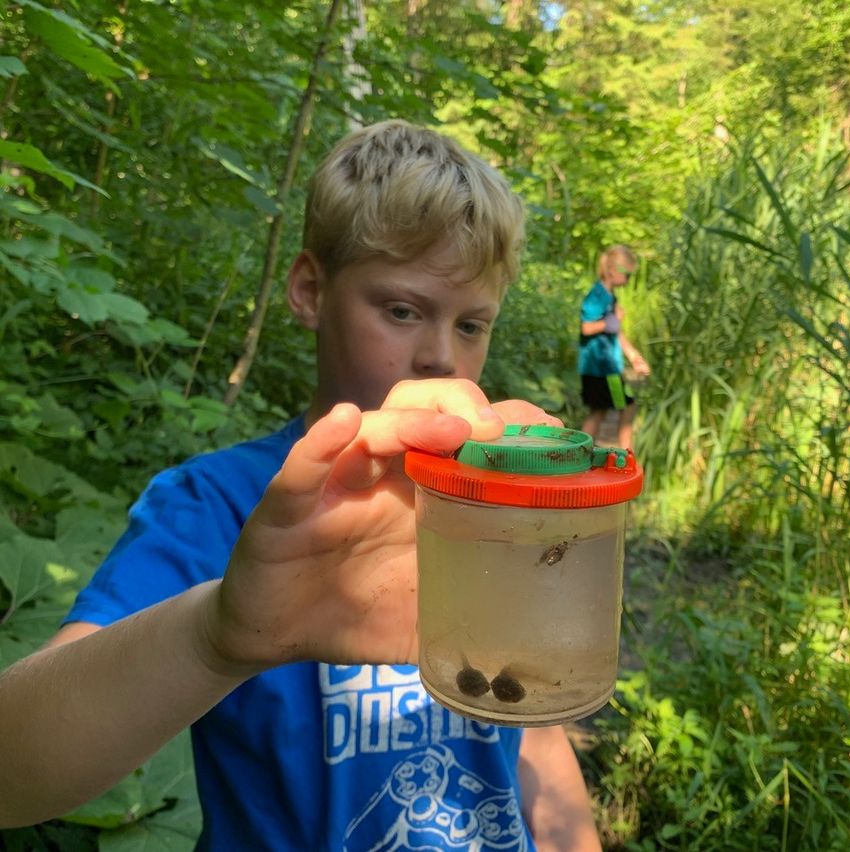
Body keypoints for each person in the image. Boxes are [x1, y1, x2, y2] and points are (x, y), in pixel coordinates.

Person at [0, 121, 602, 851]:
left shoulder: (487, 506)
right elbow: (11, 771)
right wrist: (214, 637)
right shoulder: (220, 506)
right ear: (311, 290)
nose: (441, 356)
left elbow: (534, 733)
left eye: (472, 324)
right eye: (402, 310)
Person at [578, 245, 650, 450]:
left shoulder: (611, 297)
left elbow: (616, 332)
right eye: (627, 274)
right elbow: (586, 328)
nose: (628, 279)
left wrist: (634, 356)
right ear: (612, 271)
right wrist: (608, 322)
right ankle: (626, 454)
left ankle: (584, 452)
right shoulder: (597, 296)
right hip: (600, 368)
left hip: (608, 367)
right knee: (623, 407)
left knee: (606, 410)